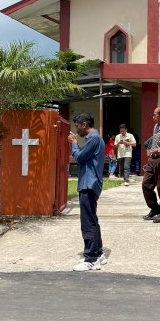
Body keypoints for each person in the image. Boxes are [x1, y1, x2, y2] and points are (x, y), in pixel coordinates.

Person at [68, 113, 107, 272]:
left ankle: (91, 258)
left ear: (84, 124)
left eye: (77, 126)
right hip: (90, 184)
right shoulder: (95, 138)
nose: (77, 130)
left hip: (88, 184)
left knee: (87, 222)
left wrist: (74, 144)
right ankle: (98, 252)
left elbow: (80, 158)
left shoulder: (93, 138)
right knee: (92, 218)